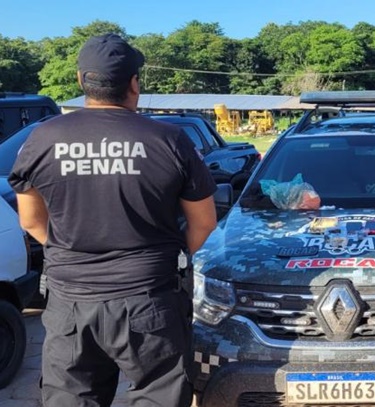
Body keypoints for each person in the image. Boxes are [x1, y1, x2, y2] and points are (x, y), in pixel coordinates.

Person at [9, 34, 218, 407]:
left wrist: (73, 254)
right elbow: (203, 223)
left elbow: (31, 221)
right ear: (134, 83)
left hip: (71, 303)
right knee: (159, 397)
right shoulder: (169, 140)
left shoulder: (41, 139)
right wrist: (163, 258)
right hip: (150, 299)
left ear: (80, 80)